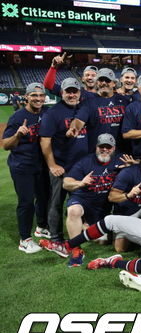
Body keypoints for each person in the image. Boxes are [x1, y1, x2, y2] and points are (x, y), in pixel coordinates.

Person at [59, 134, 134, 266]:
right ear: (96, 147)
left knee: (103, 241)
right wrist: (80, 183)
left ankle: (83, 225)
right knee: (74, 211)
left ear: (114, 148)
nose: (105, 150)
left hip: (103, 207)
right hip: (84, 200)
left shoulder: (121, 160)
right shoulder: (85, 162)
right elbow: (66, 183)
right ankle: (76, 249)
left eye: (108, 147)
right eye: (101, 147)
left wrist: (131, 167)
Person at [39, 77, 89, 245]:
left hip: (81, 168)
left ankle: (81, 234)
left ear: (80, 93)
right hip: (63, 167)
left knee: (80, 202)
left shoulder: (84, 108)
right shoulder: (53, 113)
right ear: (62, 93)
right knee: (56, 203)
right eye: (68, 92)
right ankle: (55, 237)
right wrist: (52, 165)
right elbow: (44, 140)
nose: (72, 94)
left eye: (75, 91)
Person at [3, 83, 50, 253]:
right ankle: (25, 239)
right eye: (34, 95)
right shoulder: (18, 117)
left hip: (40, 165)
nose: (38, 98)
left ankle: (42, 227)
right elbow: (6, 145)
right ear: (26, 97)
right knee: (26, 202)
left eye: (41, 95)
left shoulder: (47, 113)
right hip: (22, 166)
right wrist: (18, 134)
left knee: (44, 198)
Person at [71, 68, 131, 152]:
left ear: (114, 83)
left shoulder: (124, 101)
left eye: (107, 80)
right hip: (98, 152)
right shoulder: (88, 102)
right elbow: (79, 120)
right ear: (97, 83)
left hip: (121, 152)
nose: (104, 83)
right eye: (101, 80)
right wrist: (73, 128)